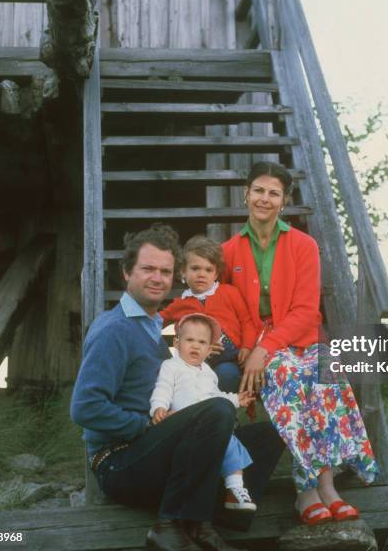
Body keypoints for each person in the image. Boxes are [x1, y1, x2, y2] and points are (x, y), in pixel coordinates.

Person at [71, 223, 285, 551]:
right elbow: (85, 408)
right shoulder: (115, 330)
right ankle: (171, 526)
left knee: (270, 435)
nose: (157, 278)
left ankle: (208, 518)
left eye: (165, 271)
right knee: (216, 411)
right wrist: (145, 424)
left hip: (160, 453)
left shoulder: (154, 328)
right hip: (120, 461)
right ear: (127, 272)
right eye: (148, 269)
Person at [222, 162, 379, 526]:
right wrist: (251, 347)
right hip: (257, 343)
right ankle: (309, 490)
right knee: (288, 376)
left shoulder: (303, 245)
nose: (264, 198)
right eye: (258, 190)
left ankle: (326, 486)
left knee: (327, 375)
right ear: (246, 194)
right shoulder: (228, 251)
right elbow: (222, 304)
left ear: (284, 201)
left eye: (273, 193)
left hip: (300, 336)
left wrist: (268, 346)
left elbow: (307, 311)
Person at [150, 312, 257, 514]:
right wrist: (159, 407)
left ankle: (235, 489)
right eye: (189, 340)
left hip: (208, 425)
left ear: (209, 349)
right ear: (177, 342)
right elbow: (162, 388)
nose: (195, 346)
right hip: (183, 423)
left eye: (202, 342)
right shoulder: (171, 366)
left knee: (230, 440)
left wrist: (236, 399)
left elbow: (215, 396)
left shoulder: (208, 372)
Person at [160, 235, 257, 393]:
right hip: (197, 362)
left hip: (231, 358)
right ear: (183, 271)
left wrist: (247, 347)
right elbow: (156, 322)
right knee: (187, 382)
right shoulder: (180, 304)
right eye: (195, 268)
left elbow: (247, 321)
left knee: (227, 375)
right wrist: (178, 347)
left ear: (216, 273)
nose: (201, 274)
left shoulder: (229, 292)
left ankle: (224, 410)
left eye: (208, 270)